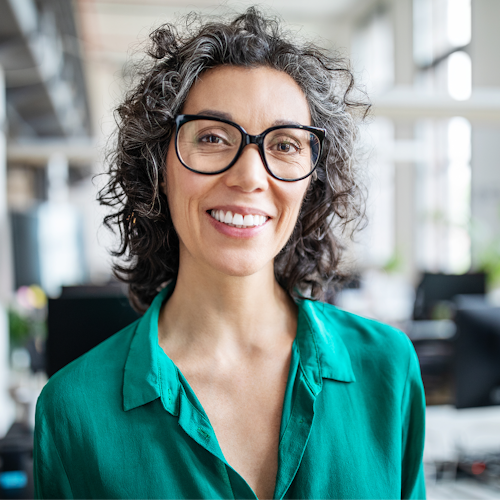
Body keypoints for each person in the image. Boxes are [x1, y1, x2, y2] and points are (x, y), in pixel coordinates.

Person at [34, 8, 426, 500]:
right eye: (213, 138)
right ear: (159, 169)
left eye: (284, 145)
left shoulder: (387, 370)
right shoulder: (74, 411)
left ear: (312, 183)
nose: (249, 176)